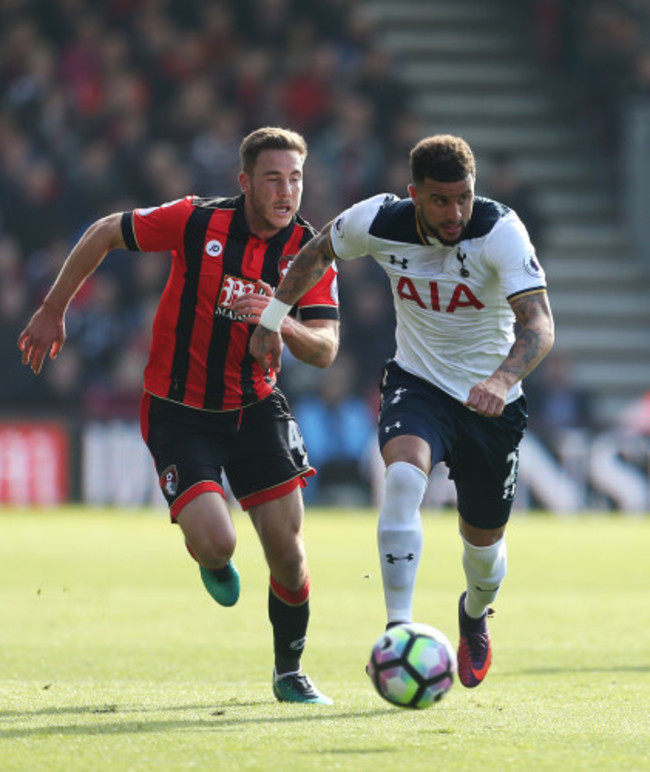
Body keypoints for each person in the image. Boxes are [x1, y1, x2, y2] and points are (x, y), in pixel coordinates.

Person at [18, 127, 340, 705]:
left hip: (256, 407)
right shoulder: (196, 221)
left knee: (288, 554)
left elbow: (326, 347)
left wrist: (279, 320)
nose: (286, 190)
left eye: (295, 177)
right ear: (245, 183)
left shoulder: (310, 252)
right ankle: (209, 557)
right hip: (178, 410)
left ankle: (289, 670)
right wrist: (51, 309)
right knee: (219, 544)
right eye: (272, 178)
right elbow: (103, 233)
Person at [245, 134, 555, 689]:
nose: (455, 211)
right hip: (418, 383)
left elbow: (539, 325)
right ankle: (397, 632)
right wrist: (272, 320)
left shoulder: (500, 231)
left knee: (482, 555)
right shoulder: (378, 221)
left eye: (463, 197)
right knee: (404, 480)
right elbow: (315, 251)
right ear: (414, 195)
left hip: (491, 401)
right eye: (440, 200)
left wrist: (503, 378)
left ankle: (475, 615)